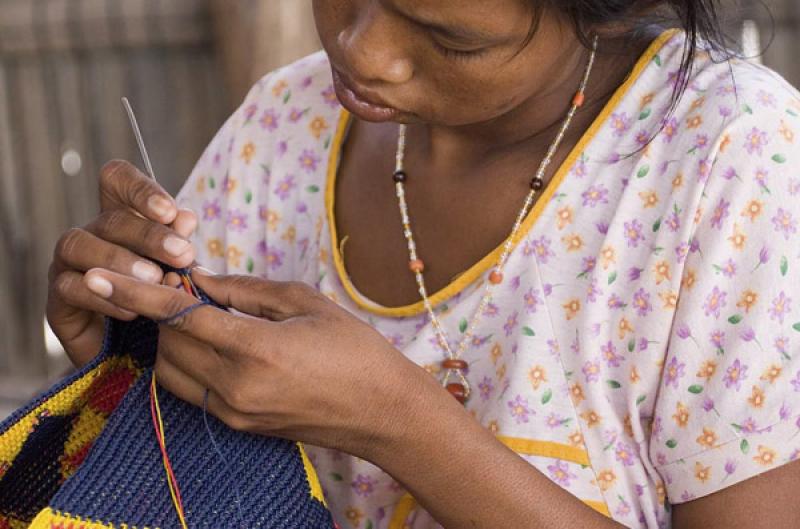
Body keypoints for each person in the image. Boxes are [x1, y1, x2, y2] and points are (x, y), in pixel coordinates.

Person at [45, 1, 800, 527]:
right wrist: (127, 354)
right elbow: (191, 474)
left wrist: (399, 422)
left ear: (604, 9)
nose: (358, 48)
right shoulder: (286, 124)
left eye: (453, 38)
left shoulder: (731, 165)